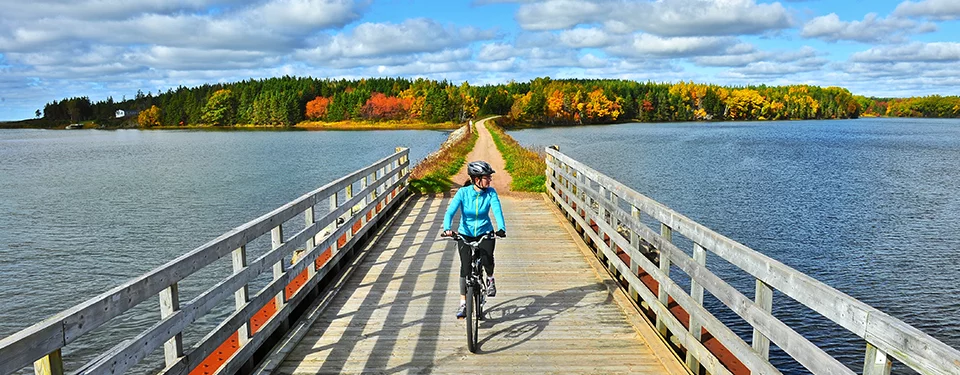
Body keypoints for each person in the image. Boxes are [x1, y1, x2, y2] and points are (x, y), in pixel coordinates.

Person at [442, 160, 506, 319]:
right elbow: (450, 212)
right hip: (465, 233)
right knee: (465, 268)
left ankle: (490, 279)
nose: (490, 180)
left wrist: (501, 228)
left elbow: (497, 210)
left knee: (487, 260)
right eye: (487, 177)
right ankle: (463, 303)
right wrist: (447, 228)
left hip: (485, 232)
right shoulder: (463, 193)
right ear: (477, 179)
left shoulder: (491, 193)